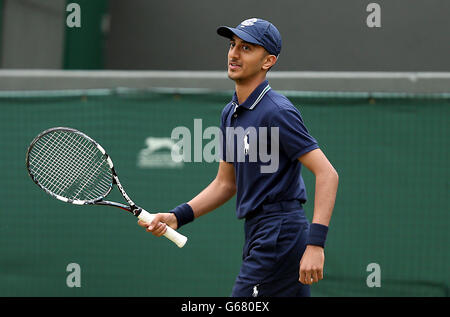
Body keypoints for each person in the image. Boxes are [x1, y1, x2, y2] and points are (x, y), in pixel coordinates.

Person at [138, 18, 339, 297]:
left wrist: (316, 244)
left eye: (246, 48)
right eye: (233, 45)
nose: (233, 53)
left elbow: (328, 173)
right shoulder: (230, 113)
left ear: (268, 61)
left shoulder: (277, 111)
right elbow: (225, 183)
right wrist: (176, 217)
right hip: (259, 232)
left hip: (279, 233)